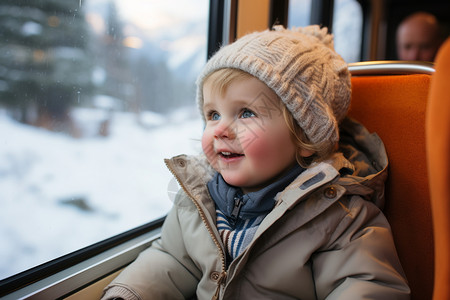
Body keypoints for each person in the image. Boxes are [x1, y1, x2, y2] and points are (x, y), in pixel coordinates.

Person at [101, 26, 410, 299]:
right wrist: (131, 294)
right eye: (213, 114)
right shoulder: (198, 199)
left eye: (246, 113)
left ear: (304, 139)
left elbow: (366, 285)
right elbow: (172, 260)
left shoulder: (338, 217)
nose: (220, 129)